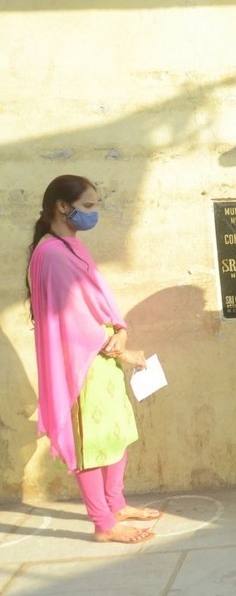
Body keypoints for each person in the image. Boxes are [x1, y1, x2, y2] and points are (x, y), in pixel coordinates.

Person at [27, 175, 160, 544]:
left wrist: (119, 327)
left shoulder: (72, 244)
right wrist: (120, 347)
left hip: (102, 356)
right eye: (87, 206)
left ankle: (115, 504)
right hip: (81, 363)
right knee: (92, 443)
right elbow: (73, 321)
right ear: (62, 207)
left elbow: (97, 300)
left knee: (117, 434)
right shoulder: (52, 253)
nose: (93, 213)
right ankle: (103, 523)